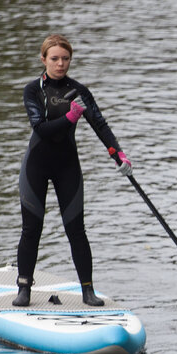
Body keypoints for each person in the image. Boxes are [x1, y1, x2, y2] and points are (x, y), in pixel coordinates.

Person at [12, 34, 132, 307]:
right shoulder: (33, 90)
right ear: (43, 60)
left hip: (67, 166)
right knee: (32, 229)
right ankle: (24, 290)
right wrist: (69, 117)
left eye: (65, 59)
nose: (61, 64)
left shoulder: (79, 91)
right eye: (54, 59)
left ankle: (87, 291)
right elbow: (39, 127)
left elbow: (100, 124)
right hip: (36, 166)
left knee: (76, 229)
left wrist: (117, 153)